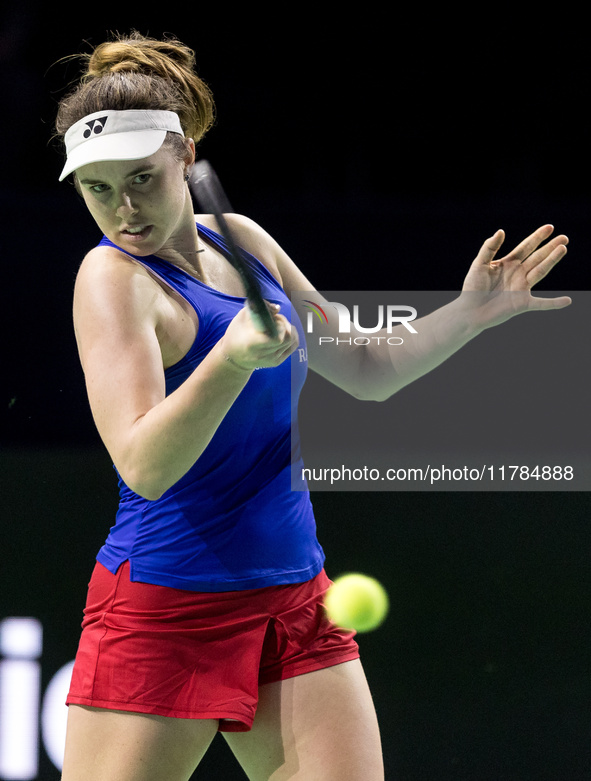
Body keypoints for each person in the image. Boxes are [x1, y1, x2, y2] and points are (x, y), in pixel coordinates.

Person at [54, 32, 570, 781]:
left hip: (294, 598)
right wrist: (229, 359)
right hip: (165, 610)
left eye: (140, 178)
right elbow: (145, 463)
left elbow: (365, 368)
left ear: (186, 157)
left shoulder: (248, 246)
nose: (123, 209)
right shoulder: (110, 280)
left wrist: (466, 314)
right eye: (97, 188)